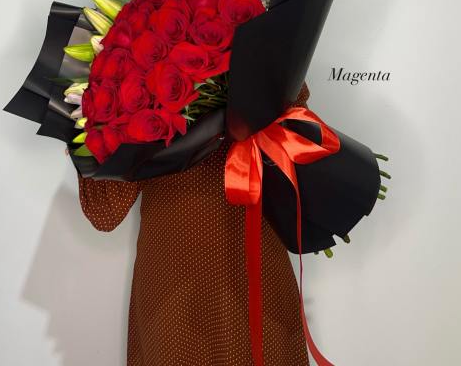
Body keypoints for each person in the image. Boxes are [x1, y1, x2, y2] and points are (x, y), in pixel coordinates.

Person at [78, 86, 311, 366]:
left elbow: (299, 161)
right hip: (173, 291)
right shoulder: (136, 76)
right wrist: (92, 130)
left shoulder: (268, 64)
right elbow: (104, 211)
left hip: (254, 275)